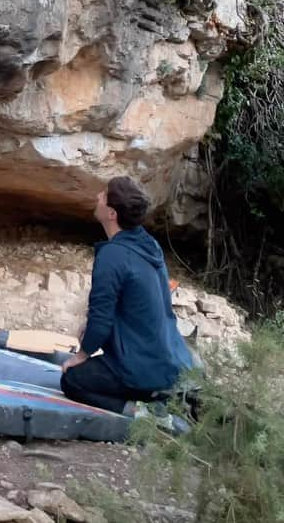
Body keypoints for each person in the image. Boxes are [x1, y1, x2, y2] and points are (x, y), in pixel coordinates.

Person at [60, 176, 193, 415]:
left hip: (142, 368)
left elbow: (101, 320)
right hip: (172, 362)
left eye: (103, 195)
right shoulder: (150, 245)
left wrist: (80, 356)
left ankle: (144, 415)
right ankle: (160, 397)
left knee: (72, 380)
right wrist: (90, 330)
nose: (97, 197)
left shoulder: (113, 255)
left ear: (112, 213)